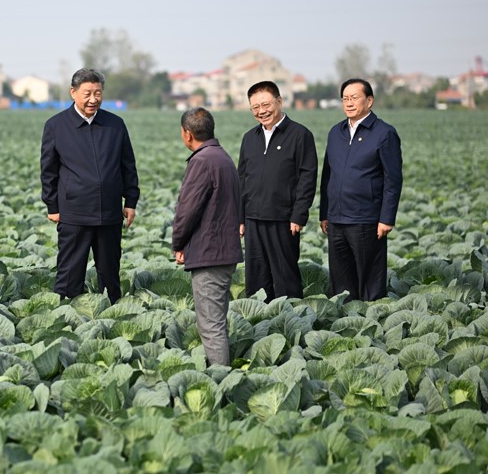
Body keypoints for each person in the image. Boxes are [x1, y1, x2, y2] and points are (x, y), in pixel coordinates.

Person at [40, 68, 139, 302]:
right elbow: (49, 171)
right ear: (73, 93)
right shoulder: (56, 125)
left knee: (110, 273)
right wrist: (52, 206)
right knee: (69, 274)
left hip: (109, 212)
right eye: (87, 93)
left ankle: (112, 312)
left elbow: (128, 165)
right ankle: (67, 314)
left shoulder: (115, 124)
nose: (93, 99)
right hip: (74, 212)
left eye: (98, 93)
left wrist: (131, 201)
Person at [320, 78, 403, 301]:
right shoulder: (335, 132)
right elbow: (328, 174)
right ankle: (345, 319)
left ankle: (373, 319)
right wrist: (324, 213)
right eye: (345, 98)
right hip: (336, 219)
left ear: (369, 100)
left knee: (370, 279)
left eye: (354, 98)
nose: (349, 103)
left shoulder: (384, 133)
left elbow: (393, 179)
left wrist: (386, 218)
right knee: (341, 279)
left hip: (366, 218)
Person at [172, 107, 242, 366]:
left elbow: (186, 210)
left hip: (209, 254)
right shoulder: (223, 157)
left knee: (210, 326)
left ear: (187, 134)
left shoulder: (201, 161)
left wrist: (178, 244)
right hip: (225, 252)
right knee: (217, 321)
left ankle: (220, 384)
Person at [237, 81, 317, 301]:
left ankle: (290, 321)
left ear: (279, 101)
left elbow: (307, 178)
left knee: (285, 276)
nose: (261, 111)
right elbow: (241, 179)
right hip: (253, 218)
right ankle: (259, 323)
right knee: (255, 276)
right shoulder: (249, 138)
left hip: (283, 219)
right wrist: (240, 217)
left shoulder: (300, 135)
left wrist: (299, 214)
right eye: (255, 107)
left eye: (265, 104)